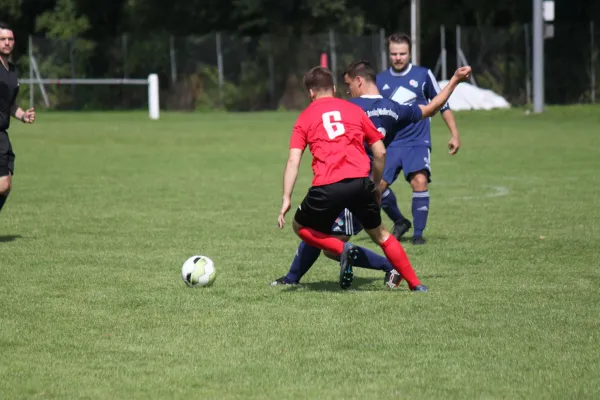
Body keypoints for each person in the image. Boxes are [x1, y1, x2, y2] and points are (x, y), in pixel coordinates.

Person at [272, 61, 471, 289]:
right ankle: (416, 284)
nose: (348, 90)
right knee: (380, 234)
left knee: (318, 235)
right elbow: (424, 114)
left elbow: (294, 159)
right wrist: (454, 80)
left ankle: (384, 266)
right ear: (334, 89)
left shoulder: (329, 111)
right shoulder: (387, 109)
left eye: (349, 84)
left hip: (333, 181)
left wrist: (286, 197)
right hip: (363, 183)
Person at [376, 32, 462, 245]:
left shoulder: (423, 75)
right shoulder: (380, 80)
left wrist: (454, 133)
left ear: (410, 53)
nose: (398, 58)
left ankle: (418, 235)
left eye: (402, 53)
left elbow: (443, 103)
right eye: (394, 54)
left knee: (419, 181)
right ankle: (400, 221)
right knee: (377, 187)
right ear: (389, 54)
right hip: (391, 143)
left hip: (417, 142)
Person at [0, 22, 35, 215]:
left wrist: (22, 115)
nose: (7, 42)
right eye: (3, 39)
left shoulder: (12, 71)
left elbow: (10, 104)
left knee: (6, 185)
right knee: (3, 184)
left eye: (10, 39)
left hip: (2, 134)